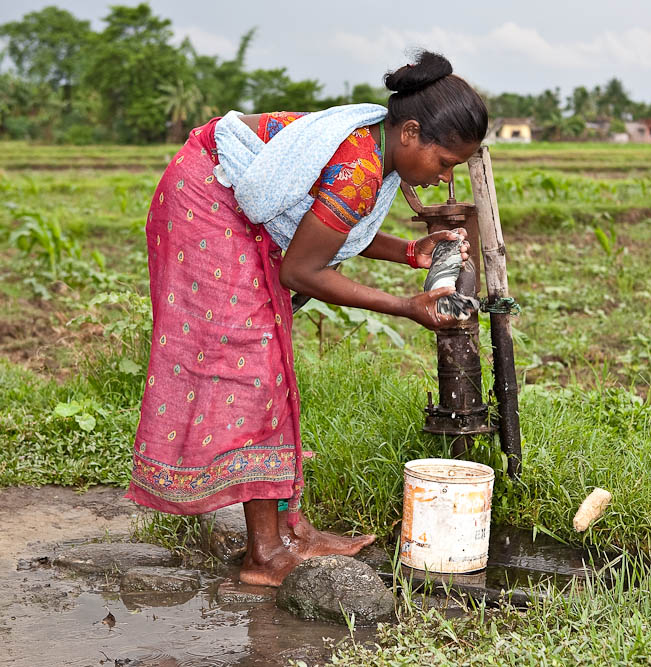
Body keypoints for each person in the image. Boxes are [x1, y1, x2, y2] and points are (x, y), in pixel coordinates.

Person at [125, 51, 489, 586]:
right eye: (446, 162)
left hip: (230, 197)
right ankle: (266, 555)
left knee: (269, 361)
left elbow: (327, 226)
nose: (444, 177)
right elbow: (303, 268)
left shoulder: (374, 146)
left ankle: (291, 532)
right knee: (249, 367)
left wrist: (412, 252)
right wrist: (407, 306)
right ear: (410, 133)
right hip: (205, 198)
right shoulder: (361, 165)